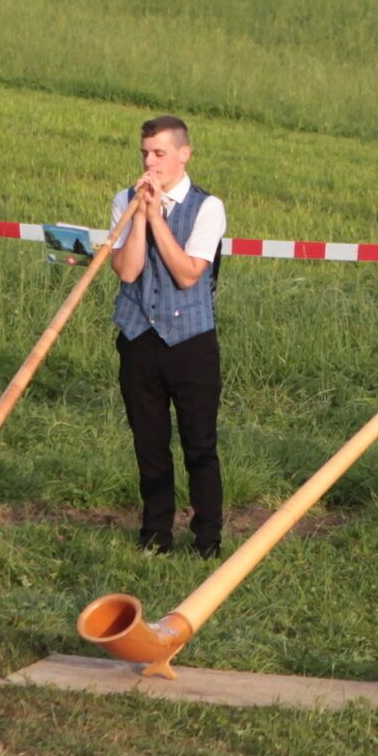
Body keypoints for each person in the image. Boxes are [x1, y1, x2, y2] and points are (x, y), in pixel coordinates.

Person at [106, 116, 227, 555]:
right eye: (145, 153)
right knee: (149, 442)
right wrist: (139, 217)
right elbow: (129, 270)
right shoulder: (124, 200)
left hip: (191, 342)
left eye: (159, 153)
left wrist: (158, 218)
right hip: (139, 338)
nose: (150, 162)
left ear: (183, 154)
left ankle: (208, 538)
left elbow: (187, 273)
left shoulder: (208, 207)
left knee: (199, 444)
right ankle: (155, 534)